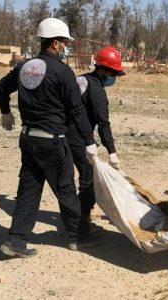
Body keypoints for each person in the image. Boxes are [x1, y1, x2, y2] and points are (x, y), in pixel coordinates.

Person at [0, 18, 101, 258]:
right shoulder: (63, 72)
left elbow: (1, 88)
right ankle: (77, 237)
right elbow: (76, 111)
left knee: (29, 190)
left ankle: (16, 241)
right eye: (64, 43)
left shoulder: (24, 67)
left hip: (29, 139)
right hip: (53, 142)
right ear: (54, 44)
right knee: (66, 191)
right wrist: (90, 142)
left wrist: (5, 112)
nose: (66, 47)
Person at [66, 46, 125, 229]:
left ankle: (75, 218)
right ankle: (80, 225)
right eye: (113, 72)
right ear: (102, 70)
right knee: (90, 181)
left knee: (67, 180)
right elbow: (103, 124)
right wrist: (112, 152)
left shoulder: (81, 79)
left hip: (62, 134)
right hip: (78, 138)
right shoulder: (97, 89)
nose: (114, 77)